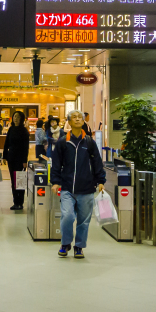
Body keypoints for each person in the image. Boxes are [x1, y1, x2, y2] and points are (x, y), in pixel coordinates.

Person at [50, 111, 106, 259]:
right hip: (67, 187)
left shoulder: (89, 142)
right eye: (74, 117)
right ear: (69, 121)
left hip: (86, 188)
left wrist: (101, 181)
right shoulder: (63, 142)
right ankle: (65, 243)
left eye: (79, 117)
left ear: (83, 122)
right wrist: (55, 182)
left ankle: (79, 246)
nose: (77, 119)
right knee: (67, 216)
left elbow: (97, 163)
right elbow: (56, 164)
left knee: (83, 221)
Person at [2, 110, 30, 211]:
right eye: (14, 116)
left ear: (21, 119)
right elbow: (6, 143)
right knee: (13, 180)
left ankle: (20, 202)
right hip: (11, 158)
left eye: (18, 117)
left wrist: (24, 161)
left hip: (20, 158)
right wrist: (4, 156)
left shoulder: (24, 131)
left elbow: (25, 147)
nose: (16, 118)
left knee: (20, 180)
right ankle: (15, 202)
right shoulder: (11, 129)